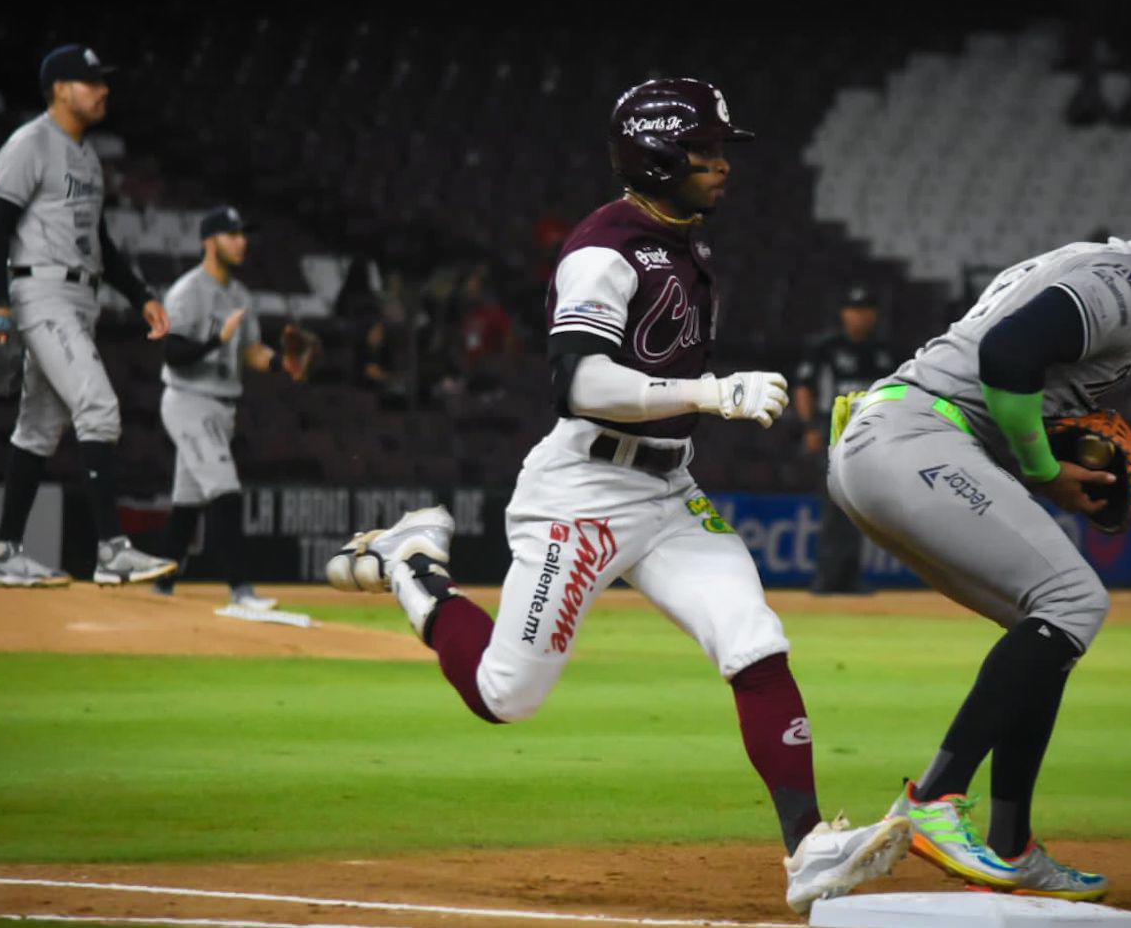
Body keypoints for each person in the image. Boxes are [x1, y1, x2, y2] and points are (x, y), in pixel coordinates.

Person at [324, 79, 909, 915]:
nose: (721, 164)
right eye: (706, 150)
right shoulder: (603, 249)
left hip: (668, 487)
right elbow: (580, 380)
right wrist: (711, 394)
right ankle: (410, 562)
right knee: (506, 694)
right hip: (584, 491)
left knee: (753, 638)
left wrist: (697, 407)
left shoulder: (687, 239)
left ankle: (809, 847)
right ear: (659, 155)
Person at [828, 164, 1131, 899]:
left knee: (1048, 624)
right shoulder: (1127, 282)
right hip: (914, 437)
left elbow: (1007, 356)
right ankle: (933, 801)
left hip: (887, 441)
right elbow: (1006, 355)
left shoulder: (1095, 268)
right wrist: (1042, 468)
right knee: (1076, 600)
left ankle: (1011, 841)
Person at [0, 44, 178, 589]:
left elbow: (101, 242)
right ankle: (112, 550)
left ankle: (3, 554)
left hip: (80, 294)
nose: (103, 89)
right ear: (61, 88)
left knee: (39, 428)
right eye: (91, 82)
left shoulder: (86, 155)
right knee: (98, 405)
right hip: (41, 291)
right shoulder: (30, 143)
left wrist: (140, 295)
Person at [151, 205, 283, 611]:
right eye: (232, 234)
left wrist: (283, 363)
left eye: (243, 234)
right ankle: (240, 588)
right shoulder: (188, 291)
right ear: (210, 242)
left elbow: (252, 352)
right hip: (189, 400)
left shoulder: (240, 296)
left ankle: (163, 580)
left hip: (222, 404)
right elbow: (171, 351)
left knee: (188, 498)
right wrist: (216, 341)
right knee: (225, 489)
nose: (241, 241)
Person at [793, 285, 896, 594]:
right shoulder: (826, 348)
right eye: (854, 310)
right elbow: (803, 388)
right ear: (843, 313)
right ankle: (827, 576)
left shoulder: (883, 351)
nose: (859, 316)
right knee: (834, 503)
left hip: (870, 433)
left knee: (860, 506)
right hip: (833, 431)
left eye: (865, 310)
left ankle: (850, 575)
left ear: (874, 314)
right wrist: (810, 427)